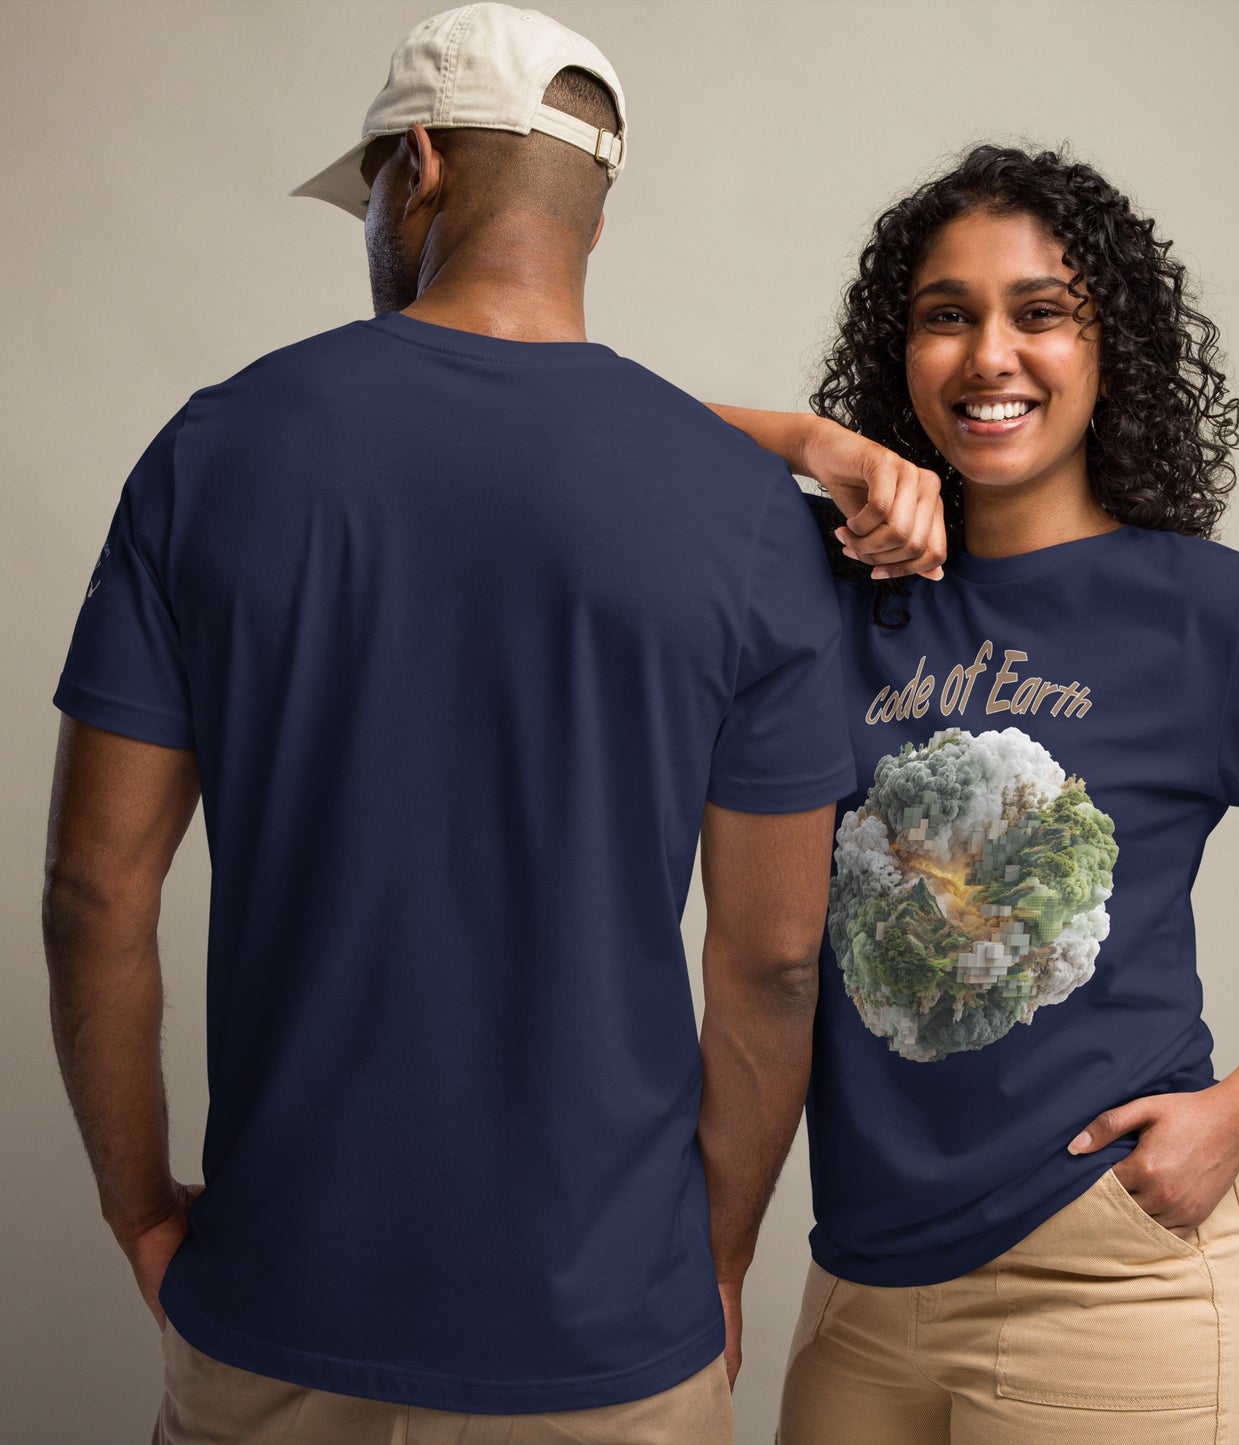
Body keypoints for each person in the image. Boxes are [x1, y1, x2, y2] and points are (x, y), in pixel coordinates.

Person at [41, 5, 855, 1442]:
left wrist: (139, 1210)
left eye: (365, 190)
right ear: (596, 210)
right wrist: (712, 1263)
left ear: (412, 169)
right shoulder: (744, 520)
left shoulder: (215, 451)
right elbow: (773, 961)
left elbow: (93, 889)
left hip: (277, 1301)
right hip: (607, 1335)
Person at [711, 143, 1239, 1444]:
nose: (990, 354)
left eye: (1039, 312)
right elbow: (592, 435)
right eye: (947, 315)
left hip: (1110, 1280)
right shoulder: (825, 589)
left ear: (1113, 349)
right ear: (901, 348)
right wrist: (816, 443)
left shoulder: (1210, 618)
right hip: (859, 1287)